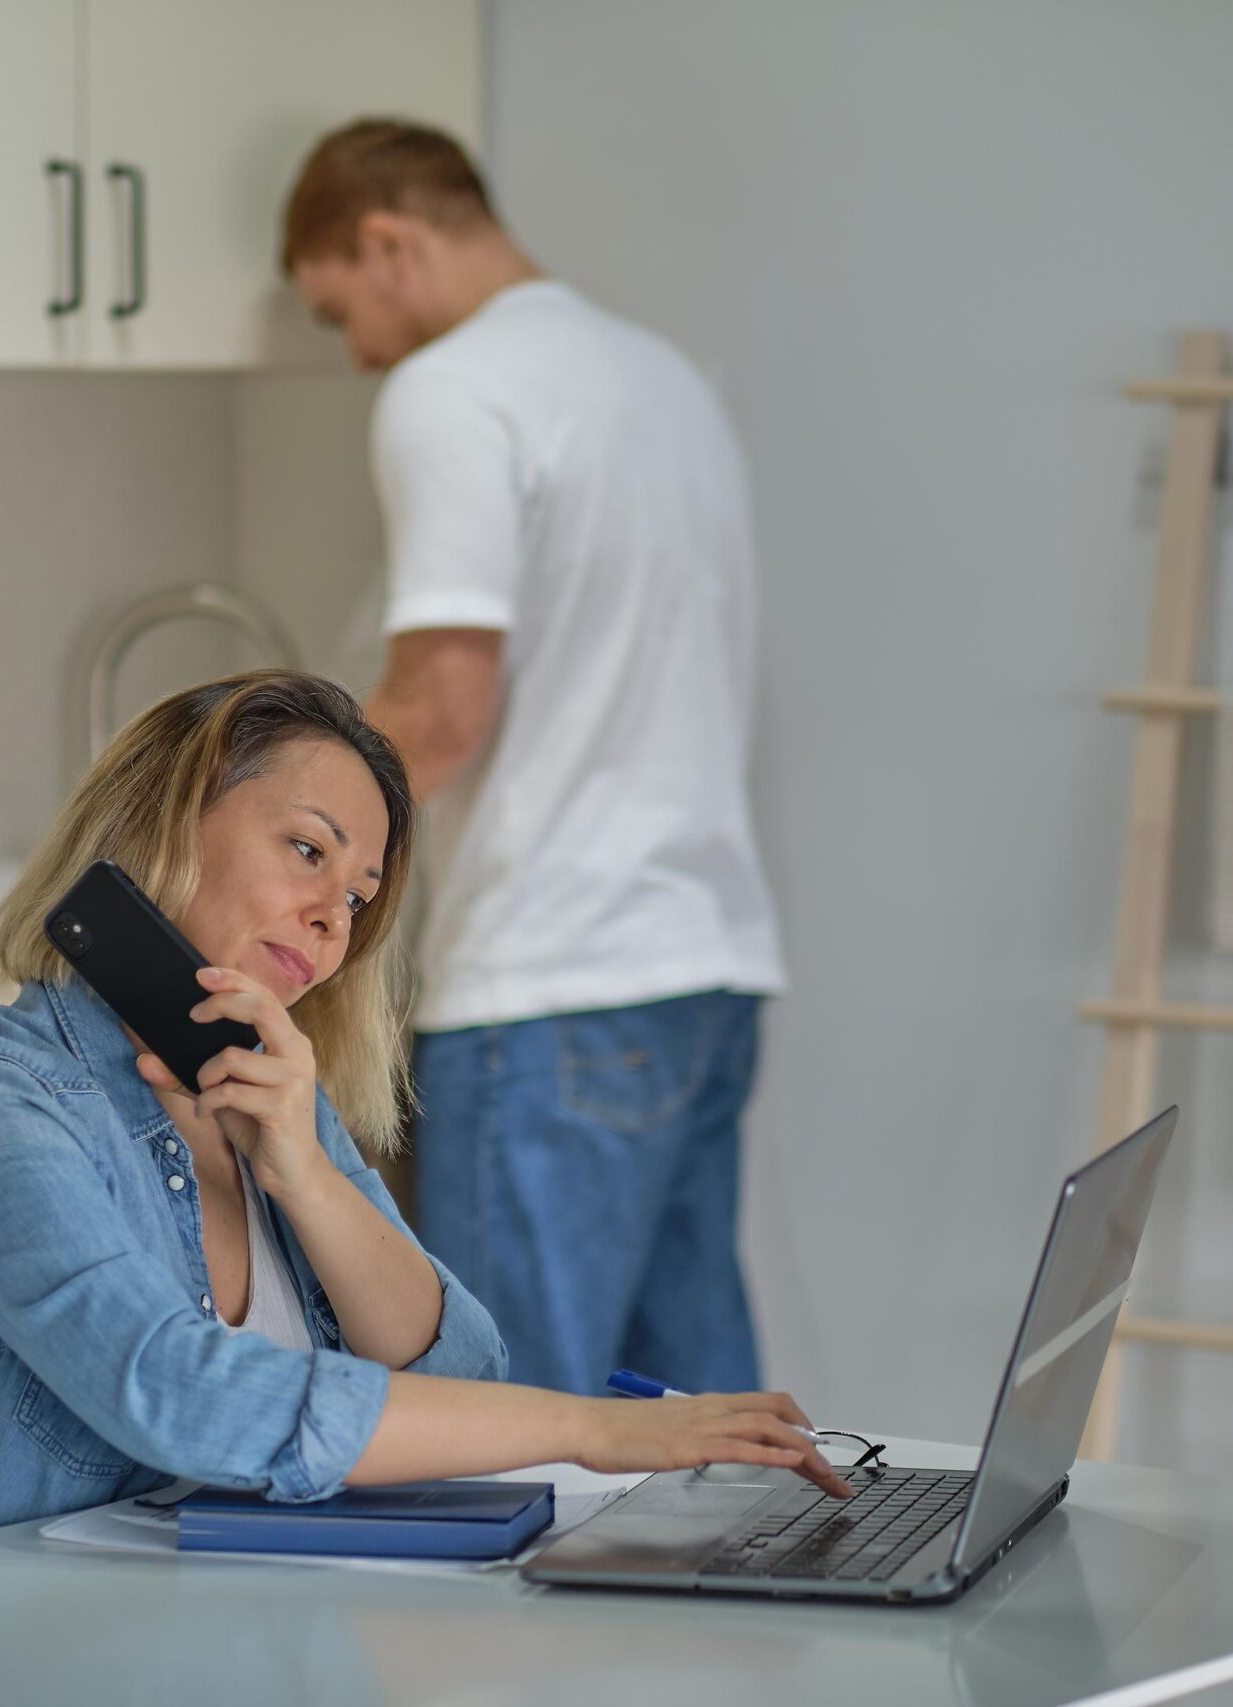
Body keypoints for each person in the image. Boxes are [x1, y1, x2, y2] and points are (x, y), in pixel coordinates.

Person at [0, 671, 842, 1554]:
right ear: (163, 822)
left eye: (360, 897)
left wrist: (309, 1178)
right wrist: (590, 1427)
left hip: (205, 1631)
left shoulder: (272, 1095)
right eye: (306, 849)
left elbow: (465, 1371)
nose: (333, 918)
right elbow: (182, 1395)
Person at [282, 122, 788, 1396]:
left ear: (387, 243)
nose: (360, 353)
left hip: (552, 987)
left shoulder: (452, 389)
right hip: (703, 966)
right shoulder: (665, 378)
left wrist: (277, 862)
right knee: (698, 1434)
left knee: (510, 1429)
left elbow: (439, 712)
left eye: (340, 312)